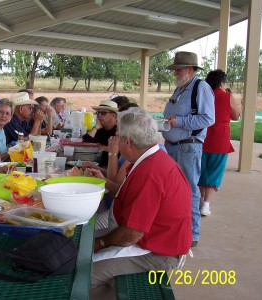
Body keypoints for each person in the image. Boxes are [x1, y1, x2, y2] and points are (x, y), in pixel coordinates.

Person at [90, 107, 192, 298]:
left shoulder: (150, 172)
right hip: (151, 239)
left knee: (85, 273)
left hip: (158, 252)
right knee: (83, 245)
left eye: (118, 137)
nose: (115, 141)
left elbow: (131, 234)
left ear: (127, 142)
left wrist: (101, 243)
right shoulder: (150, 159)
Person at [162, 51, 215, 247]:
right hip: (174, 147)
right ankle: (177, 228)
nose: (175, 73)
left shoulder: (201, 88)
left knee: (189, 190)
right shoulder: (180, 89)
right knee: (174, 190)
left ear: (190, 70)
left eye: (179, 69)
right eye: (175, 70)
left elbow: (208, 119)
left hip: (188, 148)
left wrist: (180, 122)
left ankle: (192, 234)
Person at [198, 69, 241, 216]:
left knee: (202, 171)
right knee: (214, 171)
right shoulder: (227, 96)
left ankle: (202, 199)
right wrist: (233, 98)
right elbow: (236, 116)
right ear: (222, 82)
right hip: (220, 140)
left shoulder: (203, 95)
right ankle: (206, 204)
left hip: (202, 137)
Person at [82, 99, 118, 168]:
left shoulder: (118, 131)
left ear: (114, 115)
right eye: (98, 112)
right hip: (98, 166)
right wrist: (96, 127)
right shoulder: (100, 129)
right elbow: (85, 146)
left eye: (103, 113)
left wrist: (101, 147)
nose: (99, 116)